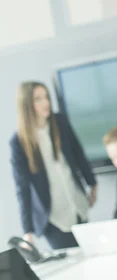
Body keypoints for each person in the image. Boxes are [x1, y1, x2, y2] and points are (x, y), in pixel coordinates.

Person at [9, 81, 97, 249]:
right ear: (26, 105)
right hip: (53, 219)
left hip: (78, 207)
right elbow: (22, 188)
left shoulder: (60, 122)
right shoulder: (18, 142)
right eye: (38, 99)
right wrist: (27, 231)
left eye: (46, 97)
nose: (46, 103)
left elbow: (78, 154)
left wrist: (92, 183)